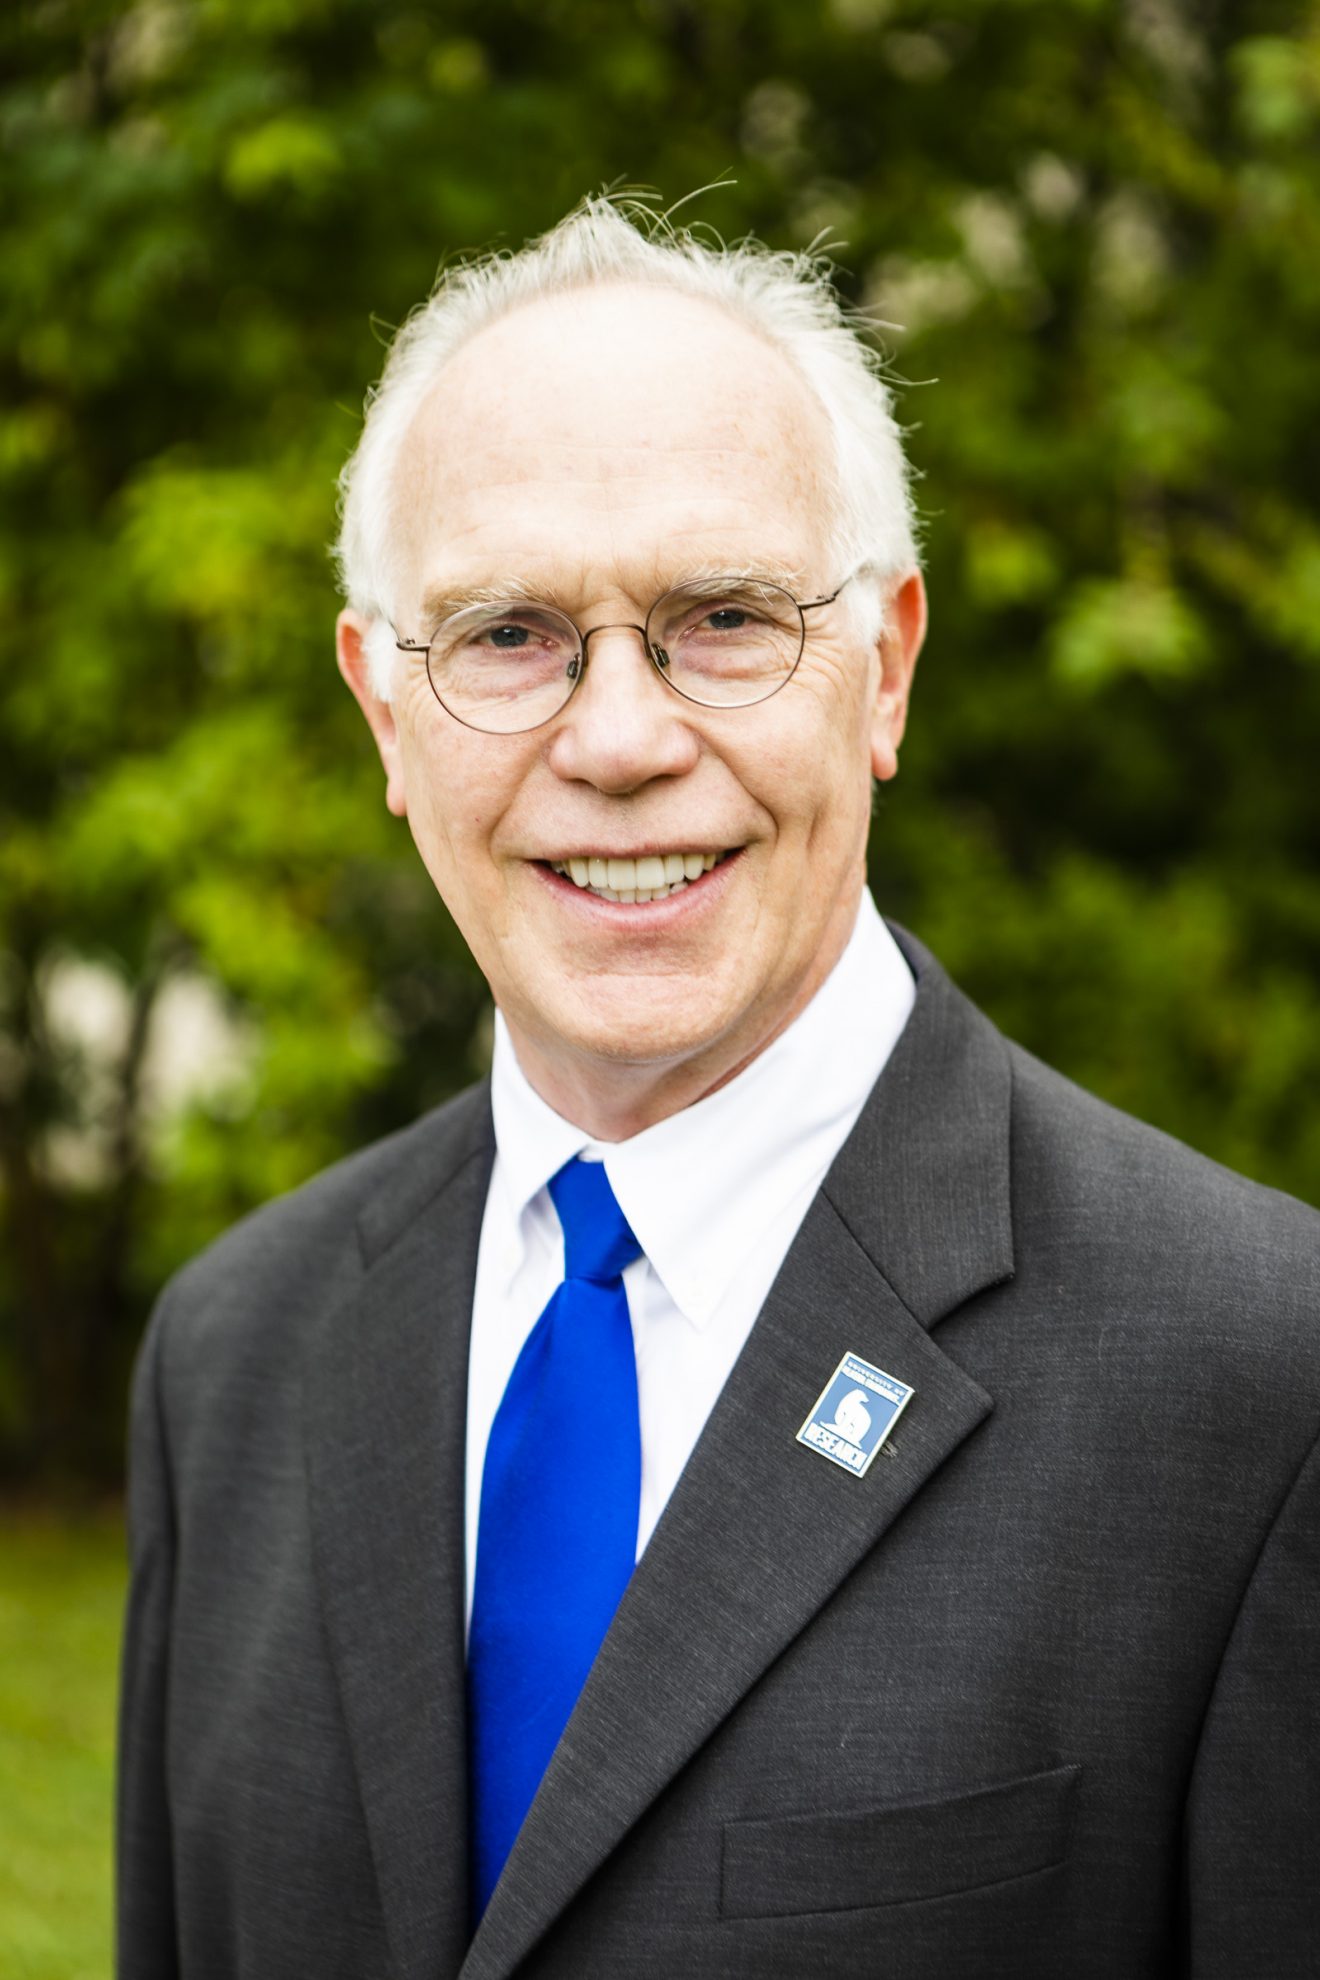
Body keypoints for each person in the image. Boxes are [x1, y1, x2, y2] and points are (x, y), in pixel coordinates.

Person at [116, 197, 1320, 1980]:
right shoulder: (232, 1359)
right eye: (508, 633)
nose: (617, 741)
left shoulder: (1260, 1380)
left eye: (727, 616)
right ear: (385, 713)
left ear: (885, 667)